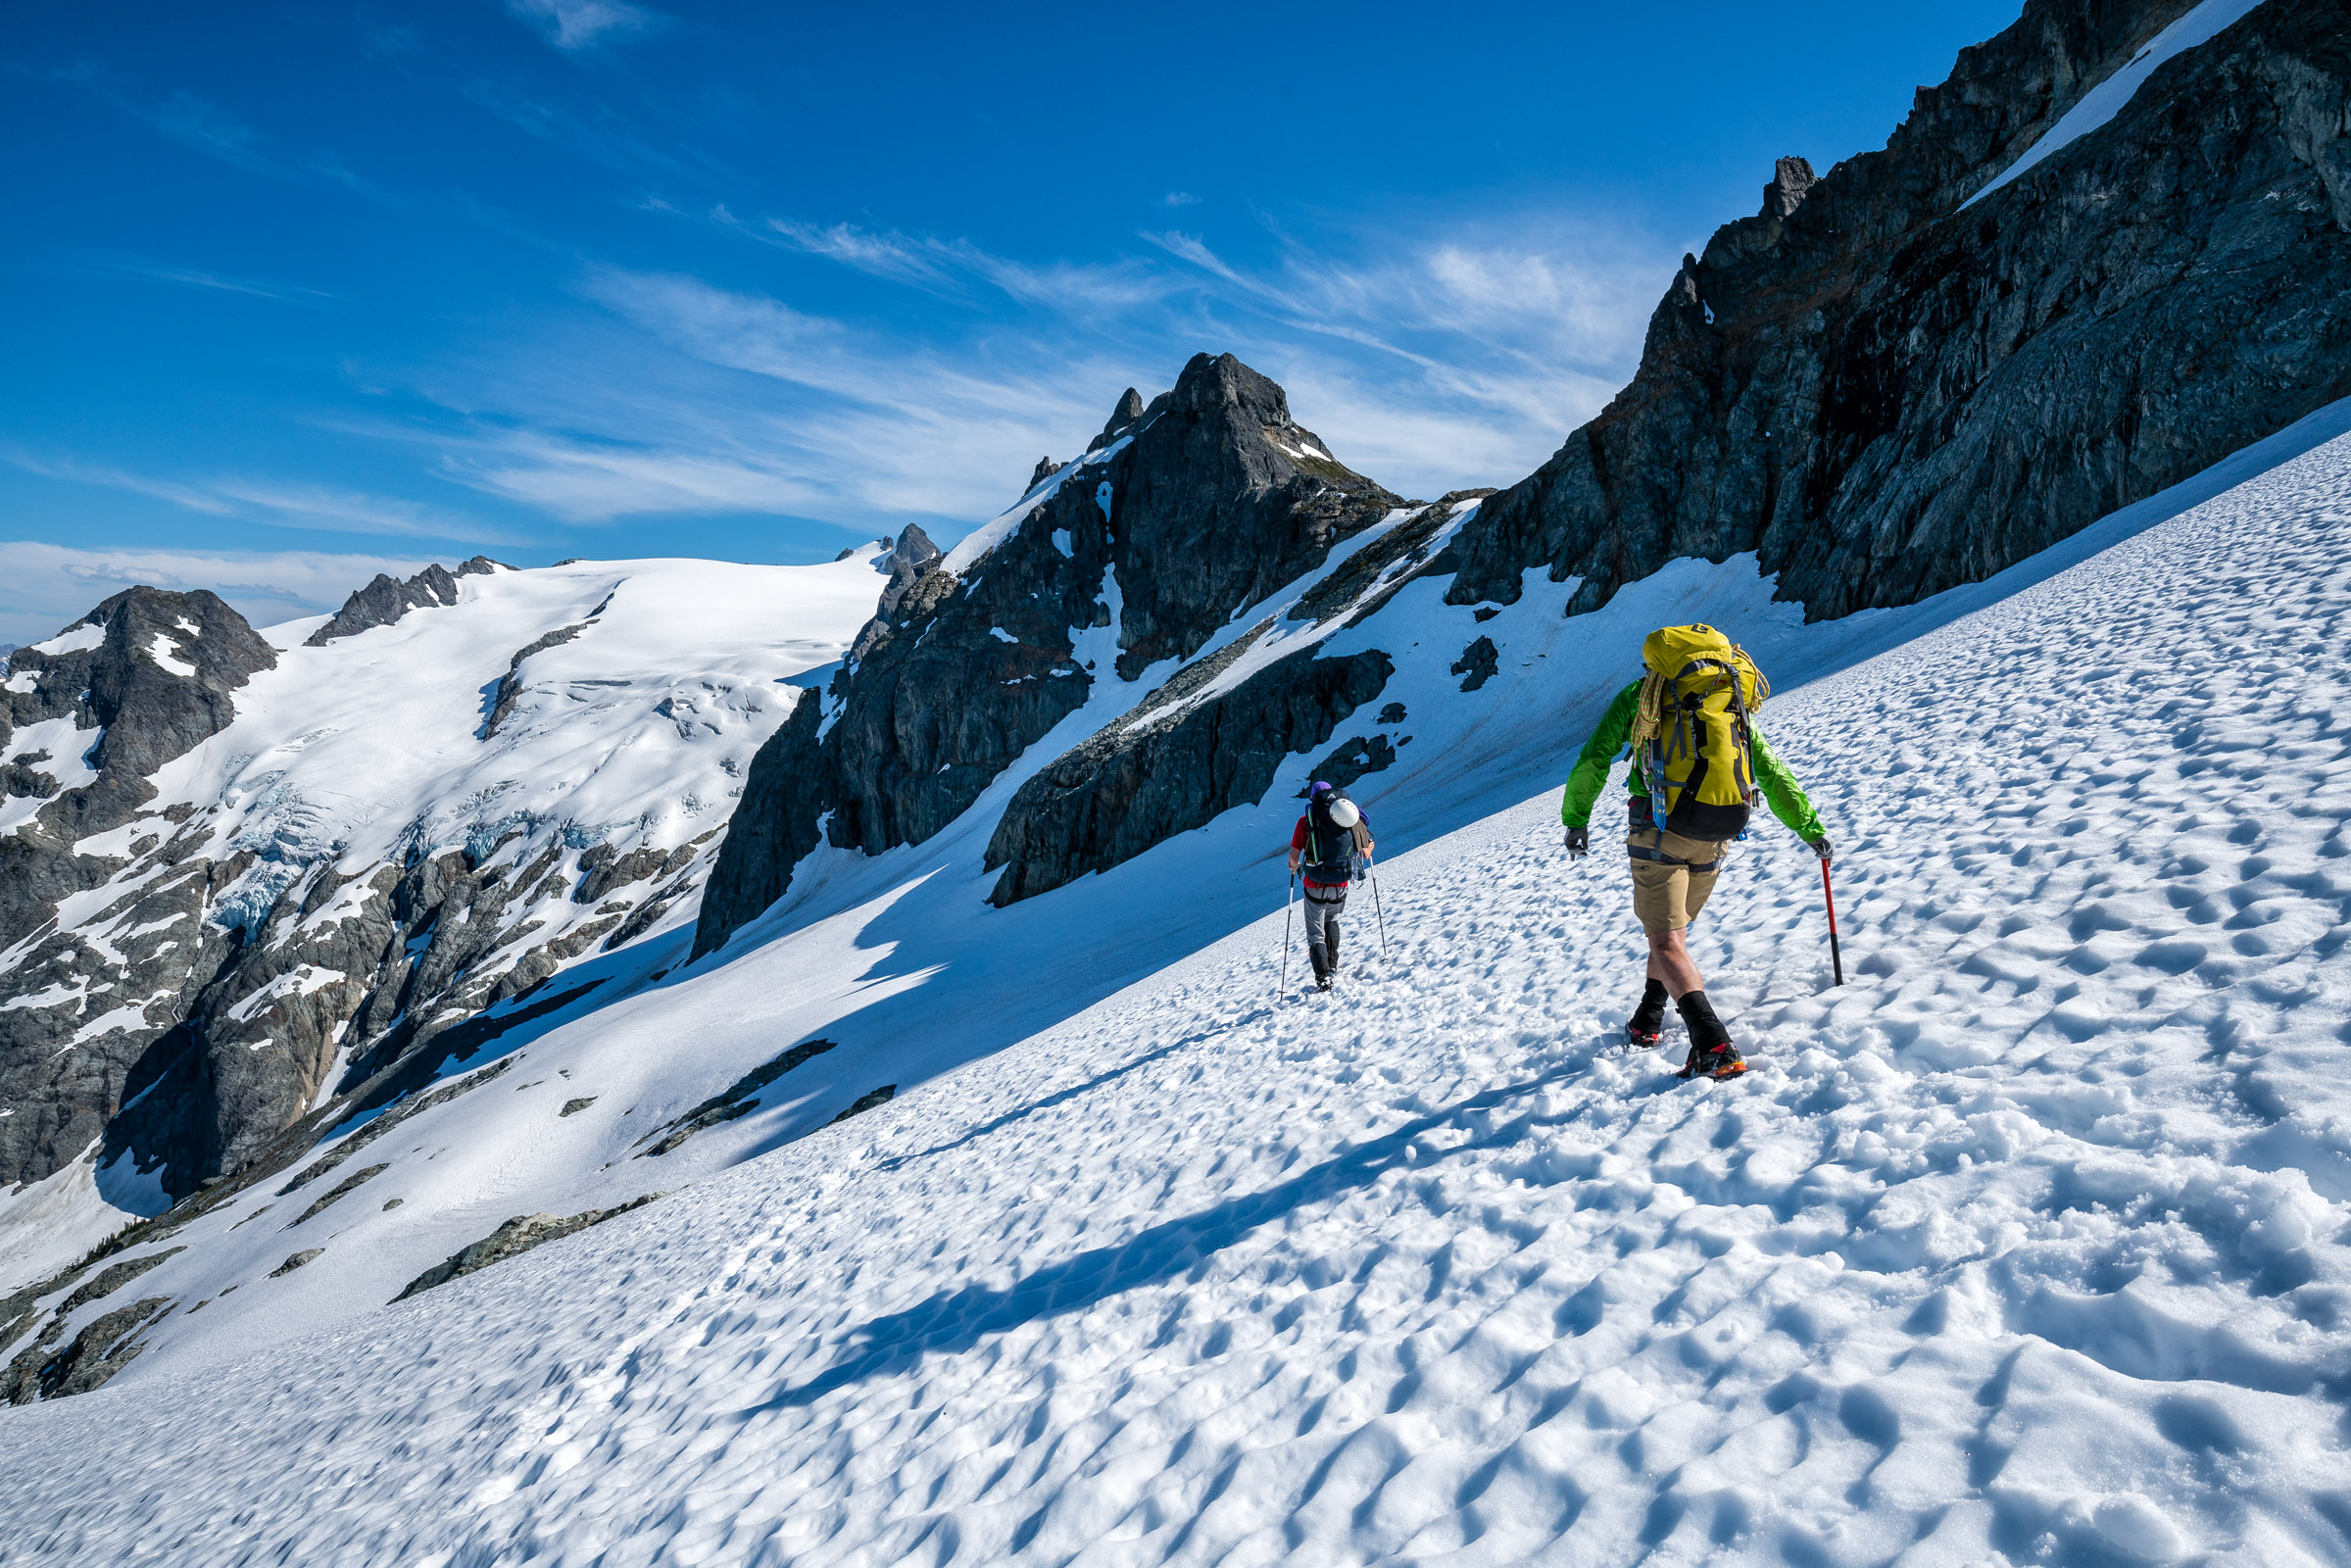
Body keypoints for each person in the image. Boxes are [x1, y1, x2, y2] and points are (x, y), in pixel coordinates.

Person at [1559, 624, 1829, 1079]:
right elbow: (1767, 766)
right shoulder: (1728, 695)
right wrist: (1809, 826)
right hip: (1718, 831)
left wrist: (1576, 819)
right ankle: (1647, 1018)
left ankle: (1712, 1042)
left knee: (1665, 940)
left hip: (1658, 827)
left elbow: (1595, 757)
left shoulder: (1642, 695)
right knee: (1671, 933)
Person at [1289, 781, 1374, 992]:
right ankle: (1332, 968)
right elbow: (1365, 854)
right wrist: (1370, 845)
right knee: (1332, 920)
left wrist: (1295, 867)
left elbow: (1292, 858)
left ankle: (1323, 978)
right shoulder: (1349, 819)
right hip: (1341, 883)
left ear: (1313, 799)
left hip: (1314, 884)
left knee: (1315, 933)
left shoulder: (1305, 821)